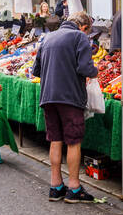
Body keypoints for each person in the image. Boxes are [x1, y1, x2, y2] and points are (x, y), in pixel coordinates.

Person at [32, 12, 98, 204]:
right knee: (73, 141)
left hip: (48, 97)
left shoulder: (47, 37)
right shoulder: (80, 37)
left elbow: (36, 70)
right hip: (69, 97)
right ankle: (74, 187)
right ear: (84, 27)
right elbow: (85, 69)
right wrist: (96, 71)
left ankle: (56, 186)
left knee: (55, 139)